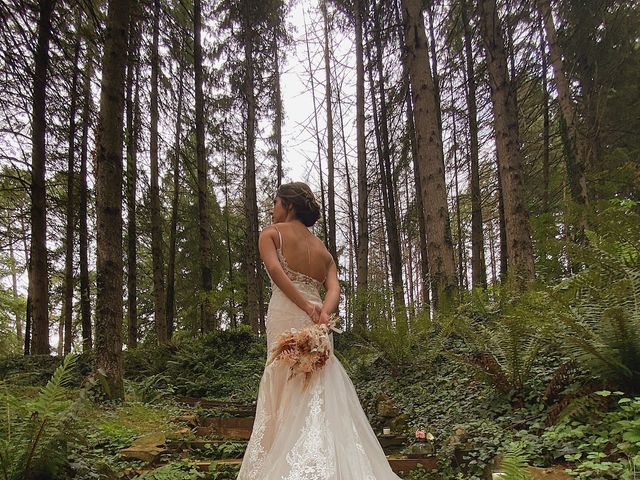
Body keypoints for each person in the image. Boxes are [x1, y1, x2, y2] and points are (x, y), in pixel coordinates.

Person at [236, 182, 402, 479]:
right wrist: (322, 311)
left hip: (288, 311)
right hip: (318, 323)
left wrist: (305, 307)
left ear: (288, 205)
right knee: (316, 385)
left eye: (275, 203)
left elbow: (275, 270)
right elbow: (334, 285)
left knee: (284, 378)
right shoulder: (322, 250)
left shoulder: (271, 234)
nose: (272, 209)